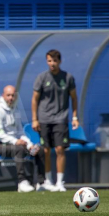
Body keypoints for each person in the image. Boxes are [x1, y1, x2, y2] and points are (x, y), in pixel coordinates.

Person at [31, 49, 79, 192]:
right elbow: (35, 99)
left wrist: (75, 117)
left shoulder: (68, 77)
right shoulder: (41, 78)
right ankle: (48, 180)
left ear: (60, 61)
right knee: (46, 150)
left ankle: (59, 182)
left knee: (59, 149)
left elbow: (74, 98)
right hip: (44, 119)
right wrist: (35, 119)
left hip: (61, 119)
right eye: (49, 61)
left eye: (54, 61)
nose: (52, 64)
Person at [0, 85, 45, 193]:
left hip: (13, 144)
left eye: (13, 95)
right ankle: (22, 182)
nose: (11, 98)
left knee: (39, 150)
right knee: (19, 149)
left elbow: (20, 132)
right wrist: (16, 141)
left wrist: (29, 144)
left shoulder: (15, 109)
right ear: (3, 96)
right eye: (8, 95)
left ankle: (41, 183)